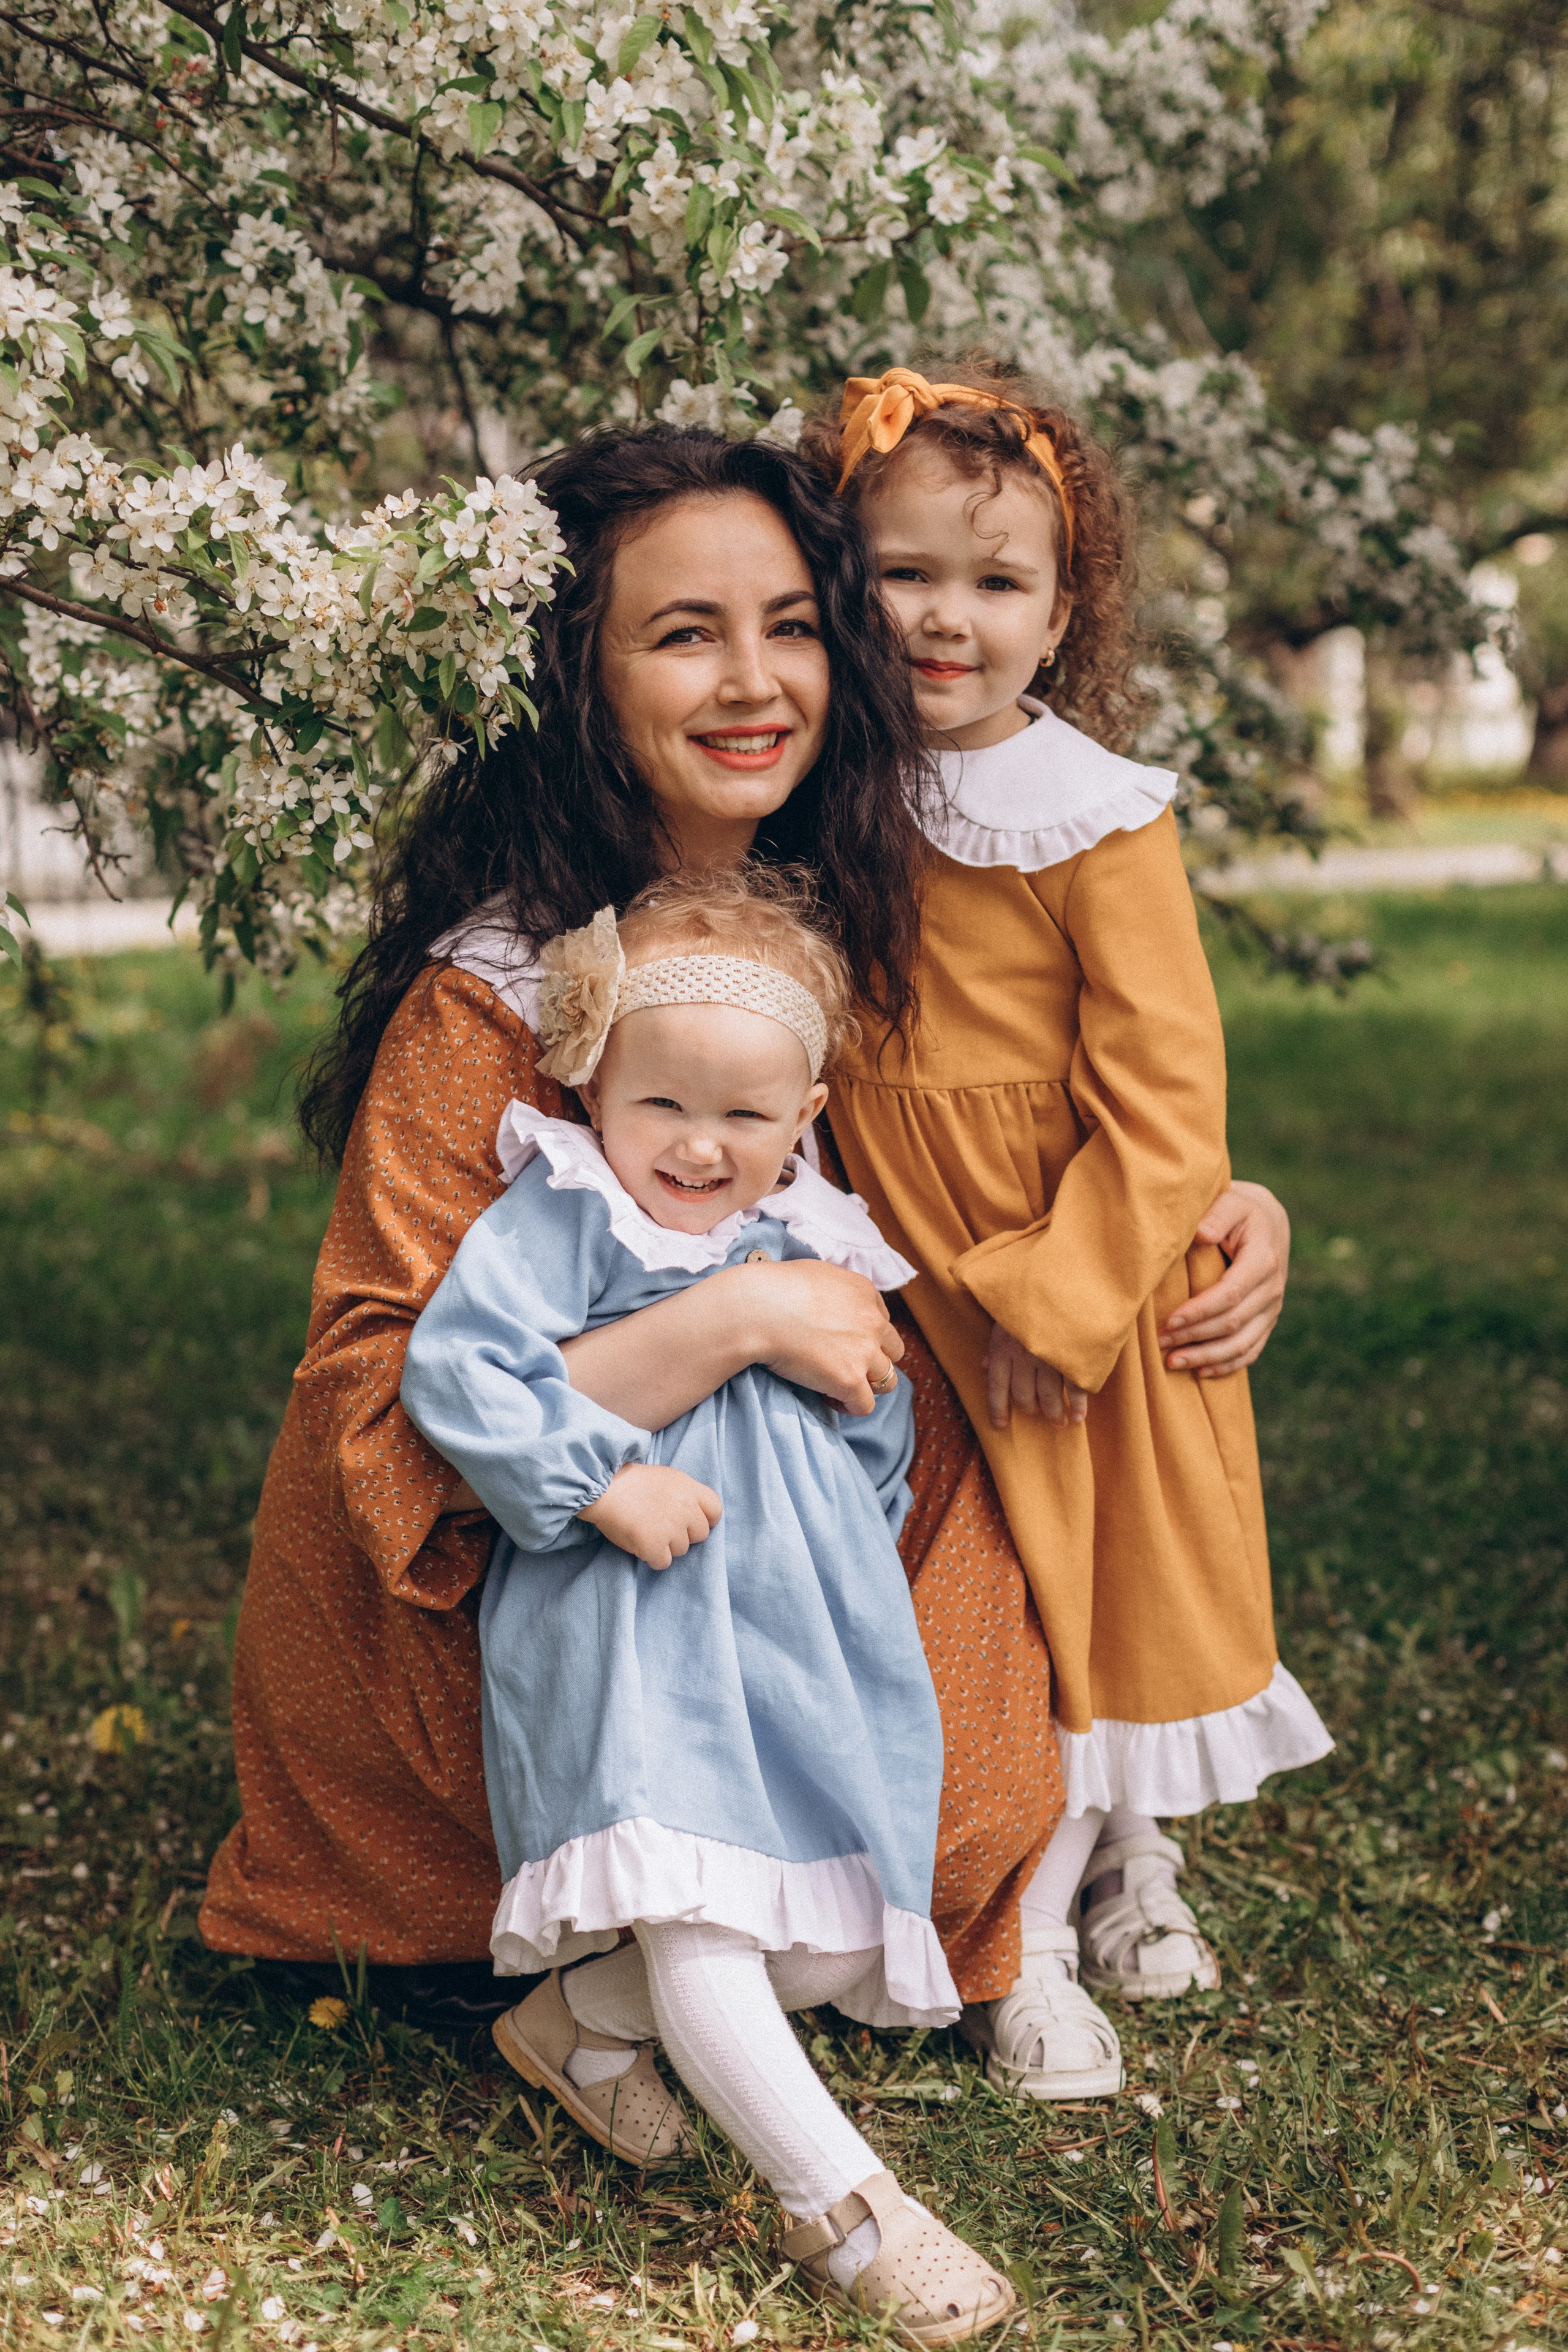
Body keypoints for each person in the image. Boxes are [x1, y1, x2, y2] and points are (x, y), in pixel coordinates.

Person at [198, 424, 1291, 2083]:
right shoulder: (497, 990)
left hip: (805, 1507)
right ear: (580, 674)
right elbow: (381, 1412)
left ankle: (1004, 1871)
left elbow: (999, 1127)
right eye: (682, 634)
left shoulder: (858, 906)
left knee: (964, 1806)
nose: (752, 681)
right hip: (551, 1559)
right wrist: (743, 1316)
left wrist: (1211, 1203)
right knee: (801, 1830)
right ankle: (630, 1953)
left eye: (791, 626)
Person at [807, 367, 1333, 2101]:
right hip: (904, 1256)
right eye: (902, 573)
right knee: (986, 1596)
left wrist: (1068, 1294)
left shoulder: (1094, 810)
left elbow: (1169, 1097)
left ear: (1060, 611)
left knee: (1094, 1597)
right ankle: (1027, 1871)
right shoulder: (828, 785)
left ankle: (1078, 1903)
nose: (943, 618)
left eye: (995, 582)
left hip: (1059, 1274)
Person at [400, 872, 1016, 2342]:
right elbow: (459, 1374)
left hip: (795, 1635)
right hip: (625, 1623)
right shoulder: (569, 1211)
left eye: (742, 1115)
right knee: (696, 1910)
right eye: (660, 1103)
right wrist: (599, 1480)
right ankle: (846, 2211)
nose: (695, 1145)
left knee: (831, 1930)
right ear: (593, 1085)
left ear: (805, 1112)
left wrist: (849, 1549)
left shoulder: (822, 1245)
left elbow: (874, 1424)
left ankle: (575, 2022)